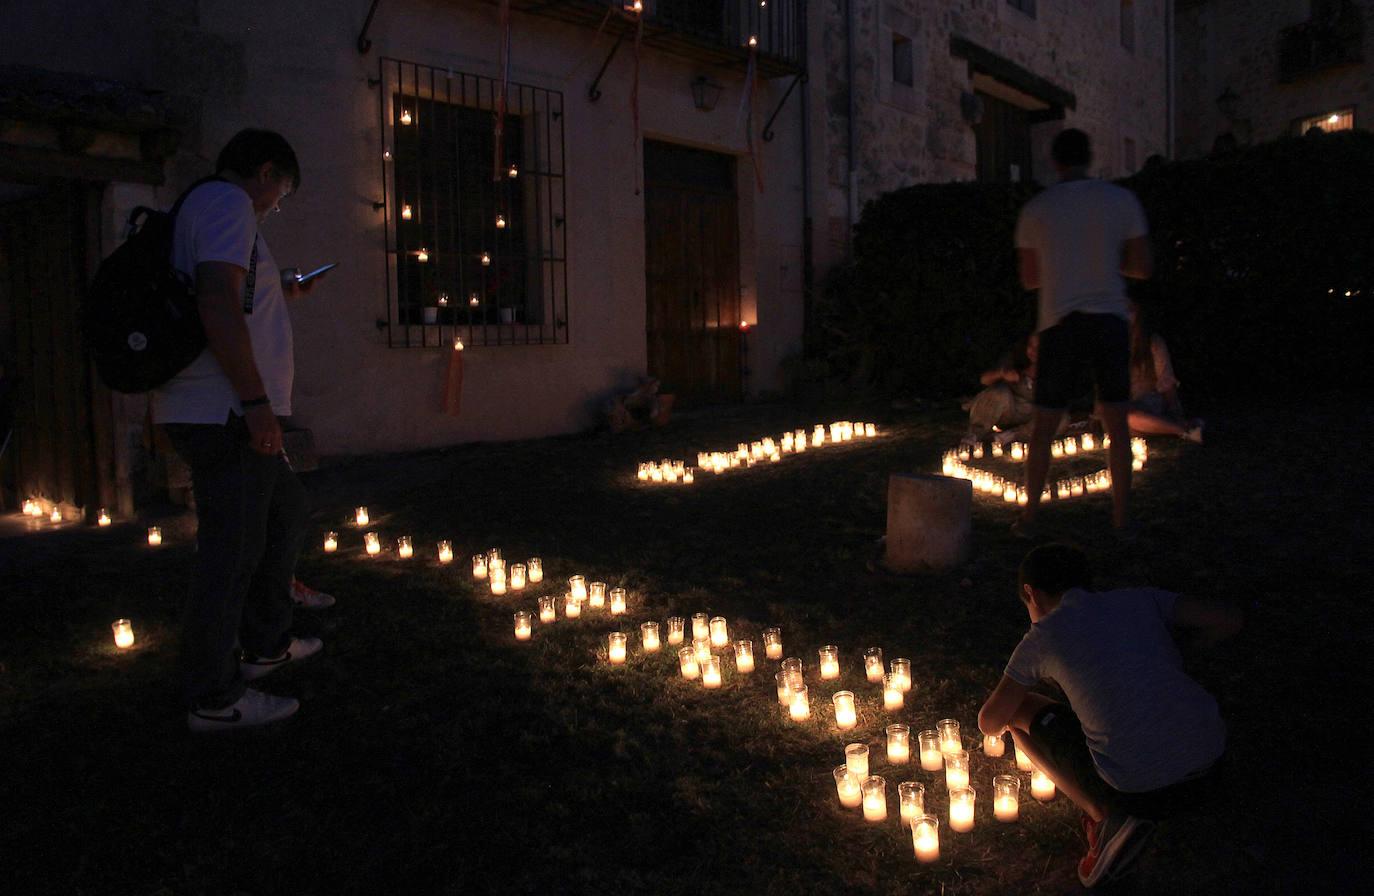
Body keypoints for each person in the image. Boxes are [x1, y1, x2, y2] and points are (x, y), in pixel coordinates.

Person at [155, 129, 328, 732]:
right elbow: (217, 303)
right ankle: (213, 695)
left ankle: (265, 645)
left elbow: (239, 296)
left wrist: (283, 289)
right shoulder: (227, 205)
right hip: (226, 411)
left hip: (232, 409)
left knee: (284, 514)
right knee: (231, 553)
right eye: (281, 191)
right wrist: (255, 404)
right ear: (265, 171)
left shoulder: (211, 209)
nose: (277, 203)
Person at [978, 544, 1242, 887]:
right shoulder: (1140, 600)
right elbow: (1231, 619)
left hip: (1141, 794)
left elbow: (990, 722)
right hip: (1212, 770)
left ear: (1031, 593)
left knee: (1021, 710)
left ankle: (1106, 821)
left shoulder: (1045, 634)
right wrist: (1182, 656)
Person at [1013, 128, 1152, 537]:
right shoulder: (1121, 201)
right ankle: (1122, 518)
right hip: (1108, 321)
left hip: (1060, 324)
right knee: (1117, 425)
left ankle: (1030, 517)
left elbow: (1029, 278)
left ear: (1055, 162)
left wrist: (1064, 265)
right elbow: (1142, 267)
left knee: (1042, 429)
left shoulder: (1037, 209)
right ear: (1089, 158)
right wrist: (1106, 263)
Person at [1127, 303, 1203, 442]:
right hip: (1124, 405)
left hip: (1148, 404)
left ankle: (1182, 430)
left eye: (1130, 310)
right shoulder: (1111, 346)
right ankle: (1173, 426)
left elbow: (1166, 381)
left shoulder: (1153, 342)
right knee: (1121, 418)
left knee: (1129, 417)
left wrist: (1177, 413)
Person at [964, 334, 1037, 446]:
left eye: (1039, 347)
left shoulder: (1054, 370)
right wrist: (1002, 374)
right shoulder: (1016, 362)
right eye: (1031, 346)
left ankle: (1008, 436)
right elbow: (984, 380)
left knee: (1060, 418)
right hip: (1009, 410)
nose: (1034, 351)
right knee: (998, 392)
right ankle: (975, 434)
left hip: (1032, 416)